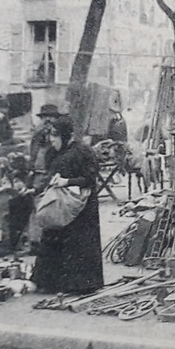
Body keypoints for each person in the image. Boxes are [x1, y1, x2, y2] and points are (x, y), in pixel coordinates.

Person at [30, 117, 105, 295]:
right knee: (52, 235)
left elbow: (89, 179)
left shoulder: (83, 152)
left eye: (55, 137)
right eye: (51, 137)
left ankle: (80, 285)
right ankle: (49, 283)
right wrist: (35, 189)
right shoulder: (53, 153)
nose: (52, 141)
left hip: (82, 207)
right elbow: (49, 176)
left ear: (66, 136)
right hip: (59, 204)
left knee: (78, 245)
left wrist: (67, 181)